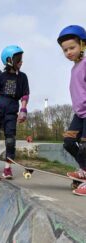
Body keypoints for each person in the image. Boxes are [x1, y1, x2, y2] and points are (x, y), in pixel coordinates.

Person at [0, 45, 30, 179]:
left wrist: (23, 109)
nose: (21, 62)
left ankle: (7, 169)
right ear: (9, 60)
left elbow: (25, 95)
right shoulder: (1, 77)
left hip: (12, 109)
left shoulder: (23, 77)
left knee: (10, 140)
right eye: (18, 59)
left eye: (21, 59)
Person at [57, 25, 86, 196]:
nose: (68, 52)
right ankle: (84, 169)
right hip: (79, 113)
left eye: (72, 48)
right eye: (65, 50)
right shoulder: (74, 68)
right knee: (68, 143)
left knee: (84, 146)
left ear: (82, 45)